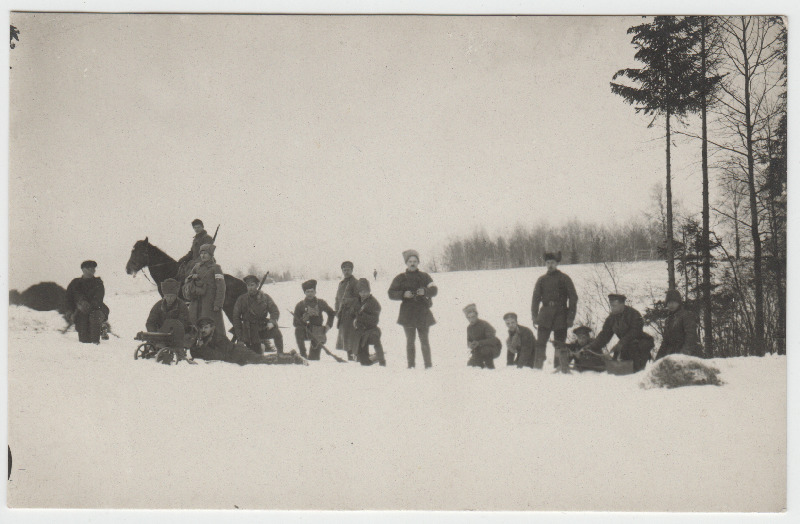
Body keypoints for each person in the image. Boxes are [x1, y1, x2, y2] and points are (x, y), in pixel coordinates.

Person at [388, 249, 437, 369]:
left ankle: (428, 366)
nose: (412, 263)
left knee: (424, 340)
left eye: (415, 261)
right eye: (410, 261)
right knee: (410, 341)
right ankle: (411, 366)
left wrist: (425, 291)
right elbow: (391, 293)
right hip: (407, 314)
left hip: (422, 312)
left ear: (418, 262)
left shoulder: (425, 276)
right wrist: (403, 294)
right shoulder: (400, 278)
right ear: (406, 263)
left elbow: (434, 290)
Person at [188, 317, 305, 366]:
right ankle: (291, 354)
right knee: (261, 359)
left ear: (212, 327)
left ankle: (292, 358)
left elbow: (220, 355)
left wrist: (202, 349)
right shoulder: (204, 338)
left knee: (262, 360)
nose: (203, 330)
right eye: (202, 328)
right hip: (237, 355)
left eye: (206, 327)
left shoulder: (218, 338)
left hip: (239, 353)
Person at [531, 251, 578, 371]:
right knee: (540, 342)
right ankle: (537, 368)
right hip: (545, 314)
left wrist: (570, 317)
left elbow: (573, 298)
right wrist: (535, 316)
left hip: (561, 314)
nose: (550, 265)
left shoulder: (564, 278)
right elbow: (535, 299)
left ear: (557, 263)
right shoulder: (541, 280)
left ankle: (559, 367)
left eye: (552, 262)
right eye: (548, 263)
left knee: (560, 343)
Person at [587, 294, 655, 373]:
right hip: (625, 345)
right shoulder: (611, 318)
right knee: (618, 369)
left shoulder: (633, 314)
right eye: (611, 305)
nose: (612, 308)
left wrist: (621, 343)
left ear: (622, 304)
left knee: (635, 372)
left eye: (614, 305)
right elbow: (604, 334)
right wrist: (592, 347)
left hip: (641, 344)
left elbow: (635, 331)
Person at [183, 243, 227, 343]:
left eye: (205, 253)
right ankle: (194, 343)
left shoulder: (216, 268)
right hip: (196, 301)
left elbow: (221, 287)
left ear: (211, 255)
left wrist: (218, 303)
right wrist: (192, 278)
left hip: (209, 302)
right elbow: (187, 281)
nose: (203, 255)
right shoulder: (196, 267)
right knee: (194, 322)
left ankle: (217, 344)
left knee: (211, 324)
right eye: (201, 253)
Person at [232, 275, 283, 355]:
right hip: (249, 330)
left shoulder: (265, 298)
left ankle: (280, 354)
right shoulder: (241, 299)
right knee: (256, 354)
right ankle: (260, 348)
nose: (250, 288)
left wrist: (272, 322)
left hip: (263, 326)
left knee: (277, 333)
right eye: (248, 285)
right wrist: (239, 334)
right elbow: (236, 317)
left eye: (252, 285)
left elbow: (275, 311)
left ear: (257, 285)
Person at [65, 260, 110, 344]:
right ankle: (101, 329)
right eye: (90, 268)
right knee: (84, 340)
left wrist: (88, 305)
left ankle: (96, 342)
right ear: (83, 270)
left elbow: (98, 298)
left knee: (95, 318)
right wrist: (70, 311)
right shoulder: (75, 283)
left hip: (97, 310)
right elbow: (68, 298)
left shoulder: (98, 282)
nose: (93, 270)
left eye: (94, 268)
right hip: (80, 312)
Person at [292, 279, 335, 360]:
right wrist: (302, 320)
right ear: (304, 293)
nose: (310, 294)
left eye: (312, 291)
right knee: (298, 329)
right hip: (305, 330)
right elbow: (295, 323)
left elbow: (331, 313)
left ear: (315, 292)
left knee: (314, 359)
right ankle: (303, 354)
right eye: (307, 291)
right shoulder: (300, 305)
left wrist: (328, 326)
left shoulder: (321, 303)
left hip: (318, 331)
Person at [655, 289, 701, 360]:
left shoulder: (686, 315)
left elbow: (691, 337)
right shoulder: (668, 320)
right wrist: (657, 359)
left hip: (688, 356)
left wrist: (682, 356)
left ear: (679, 302)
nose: (671, 305)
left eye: (674, 302)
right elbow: (665, 342)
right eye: (669, 302)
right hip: (672, 356)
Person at [353, 278, 385, 366]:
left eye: (365, 291)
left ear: (369, 291)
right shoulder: (357, 302)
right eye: (361, 291)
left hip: (372, 329)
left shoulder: (373, 302)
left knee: (376, 340)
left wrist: (362, 317)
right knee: (364, 363)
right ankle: (374, 358)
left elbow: (375, 320)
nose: (363, 294)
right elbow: (354, 313)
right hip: (361, 332)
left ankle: (382, 361)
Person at [334, 261, 360, 360]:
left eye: (348, 269)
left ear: (352, 270)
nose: (346, 271)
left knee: (352, 338)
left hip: (352, 315)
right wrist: (337, 310)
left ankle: (355, 358)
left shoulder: (355, 282)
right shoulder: (341, 283)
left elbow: (359, 298)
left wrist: (348, 301)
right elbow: (337, 298)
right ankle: (350, 359)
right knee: (345, 338)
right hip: (342, 315)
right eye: (344, 270)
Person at [464, 304, 502, 369]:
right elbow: (469, 341)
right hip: (478, 350)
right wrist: (470, 345)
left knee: (485, 350)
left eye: (473, 317)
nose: (471, 319)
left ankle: (491, 370)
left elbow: (493, 340)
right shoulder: (469, 328)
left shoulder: (484, 324)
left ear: (476, 315)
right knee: (471, 365)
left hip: (493, 348)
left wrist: (479, 343)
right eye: (469, 317)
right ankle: (482, 369)